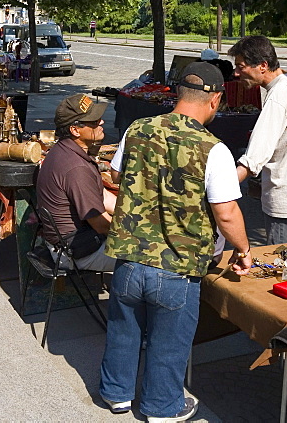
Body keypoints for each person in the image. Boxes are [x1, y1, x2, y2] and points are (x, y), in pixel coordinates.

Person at [100, 62, 252, 421]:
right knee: (169, 343)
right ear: (215, 100)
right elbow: (226, 212)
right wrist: (243, 250)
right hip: (177, 267)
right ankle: (161, 406)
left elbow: (116, 174)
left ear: (177, 94)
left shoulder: (138, 128)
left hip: (129, 256)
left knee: (123, 330)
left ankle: (115, 394)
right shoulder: (213, 149)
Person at [229, 35, 287, 247]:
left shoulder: (279, 95)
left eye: (241, 67)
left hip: (284, 195)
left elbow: (255, 157)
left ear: (263, 65)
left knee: (283, 265)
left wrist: (222, 188)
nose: (236, 73)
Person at [36, 94, 117, 272]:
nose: (101, 122)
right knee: (155, 256)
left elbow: (102, 196)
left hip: (72, 244)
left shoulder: (64, 149)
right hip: (77, 252)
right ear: (75, 130)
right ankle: (127, 297)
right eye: (94, 121)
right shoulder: (76, 168)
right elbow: (101, 224)